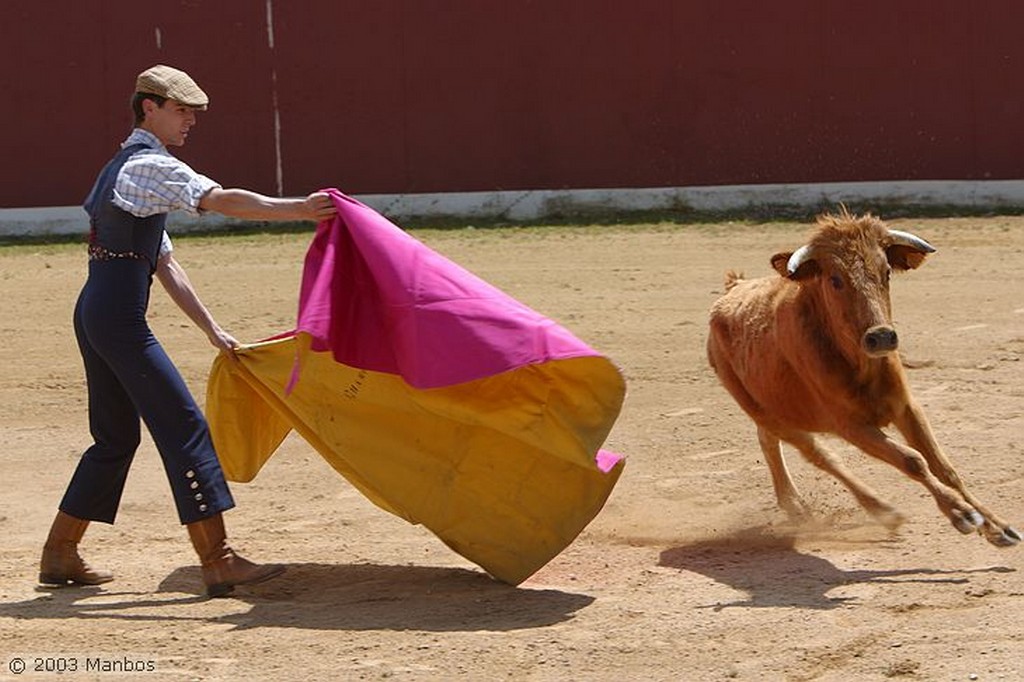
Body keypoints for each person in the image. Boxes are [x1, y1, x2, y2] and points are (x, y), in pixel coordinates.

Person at [39, 64, 337, 597]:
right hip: (117, 320)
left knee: (114, 438)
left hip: (96, 311)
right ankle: (218, 560)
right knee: (184, 428)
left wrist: (212, 330)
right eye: (181, 111)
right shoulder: (151, 165)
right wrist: (300, 209)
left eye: (193, 113)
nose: (190, 121)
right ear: (147, 107)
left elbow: (164, 263)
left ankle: (60, 553)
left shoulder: (122, 167)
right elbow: (222, 200)